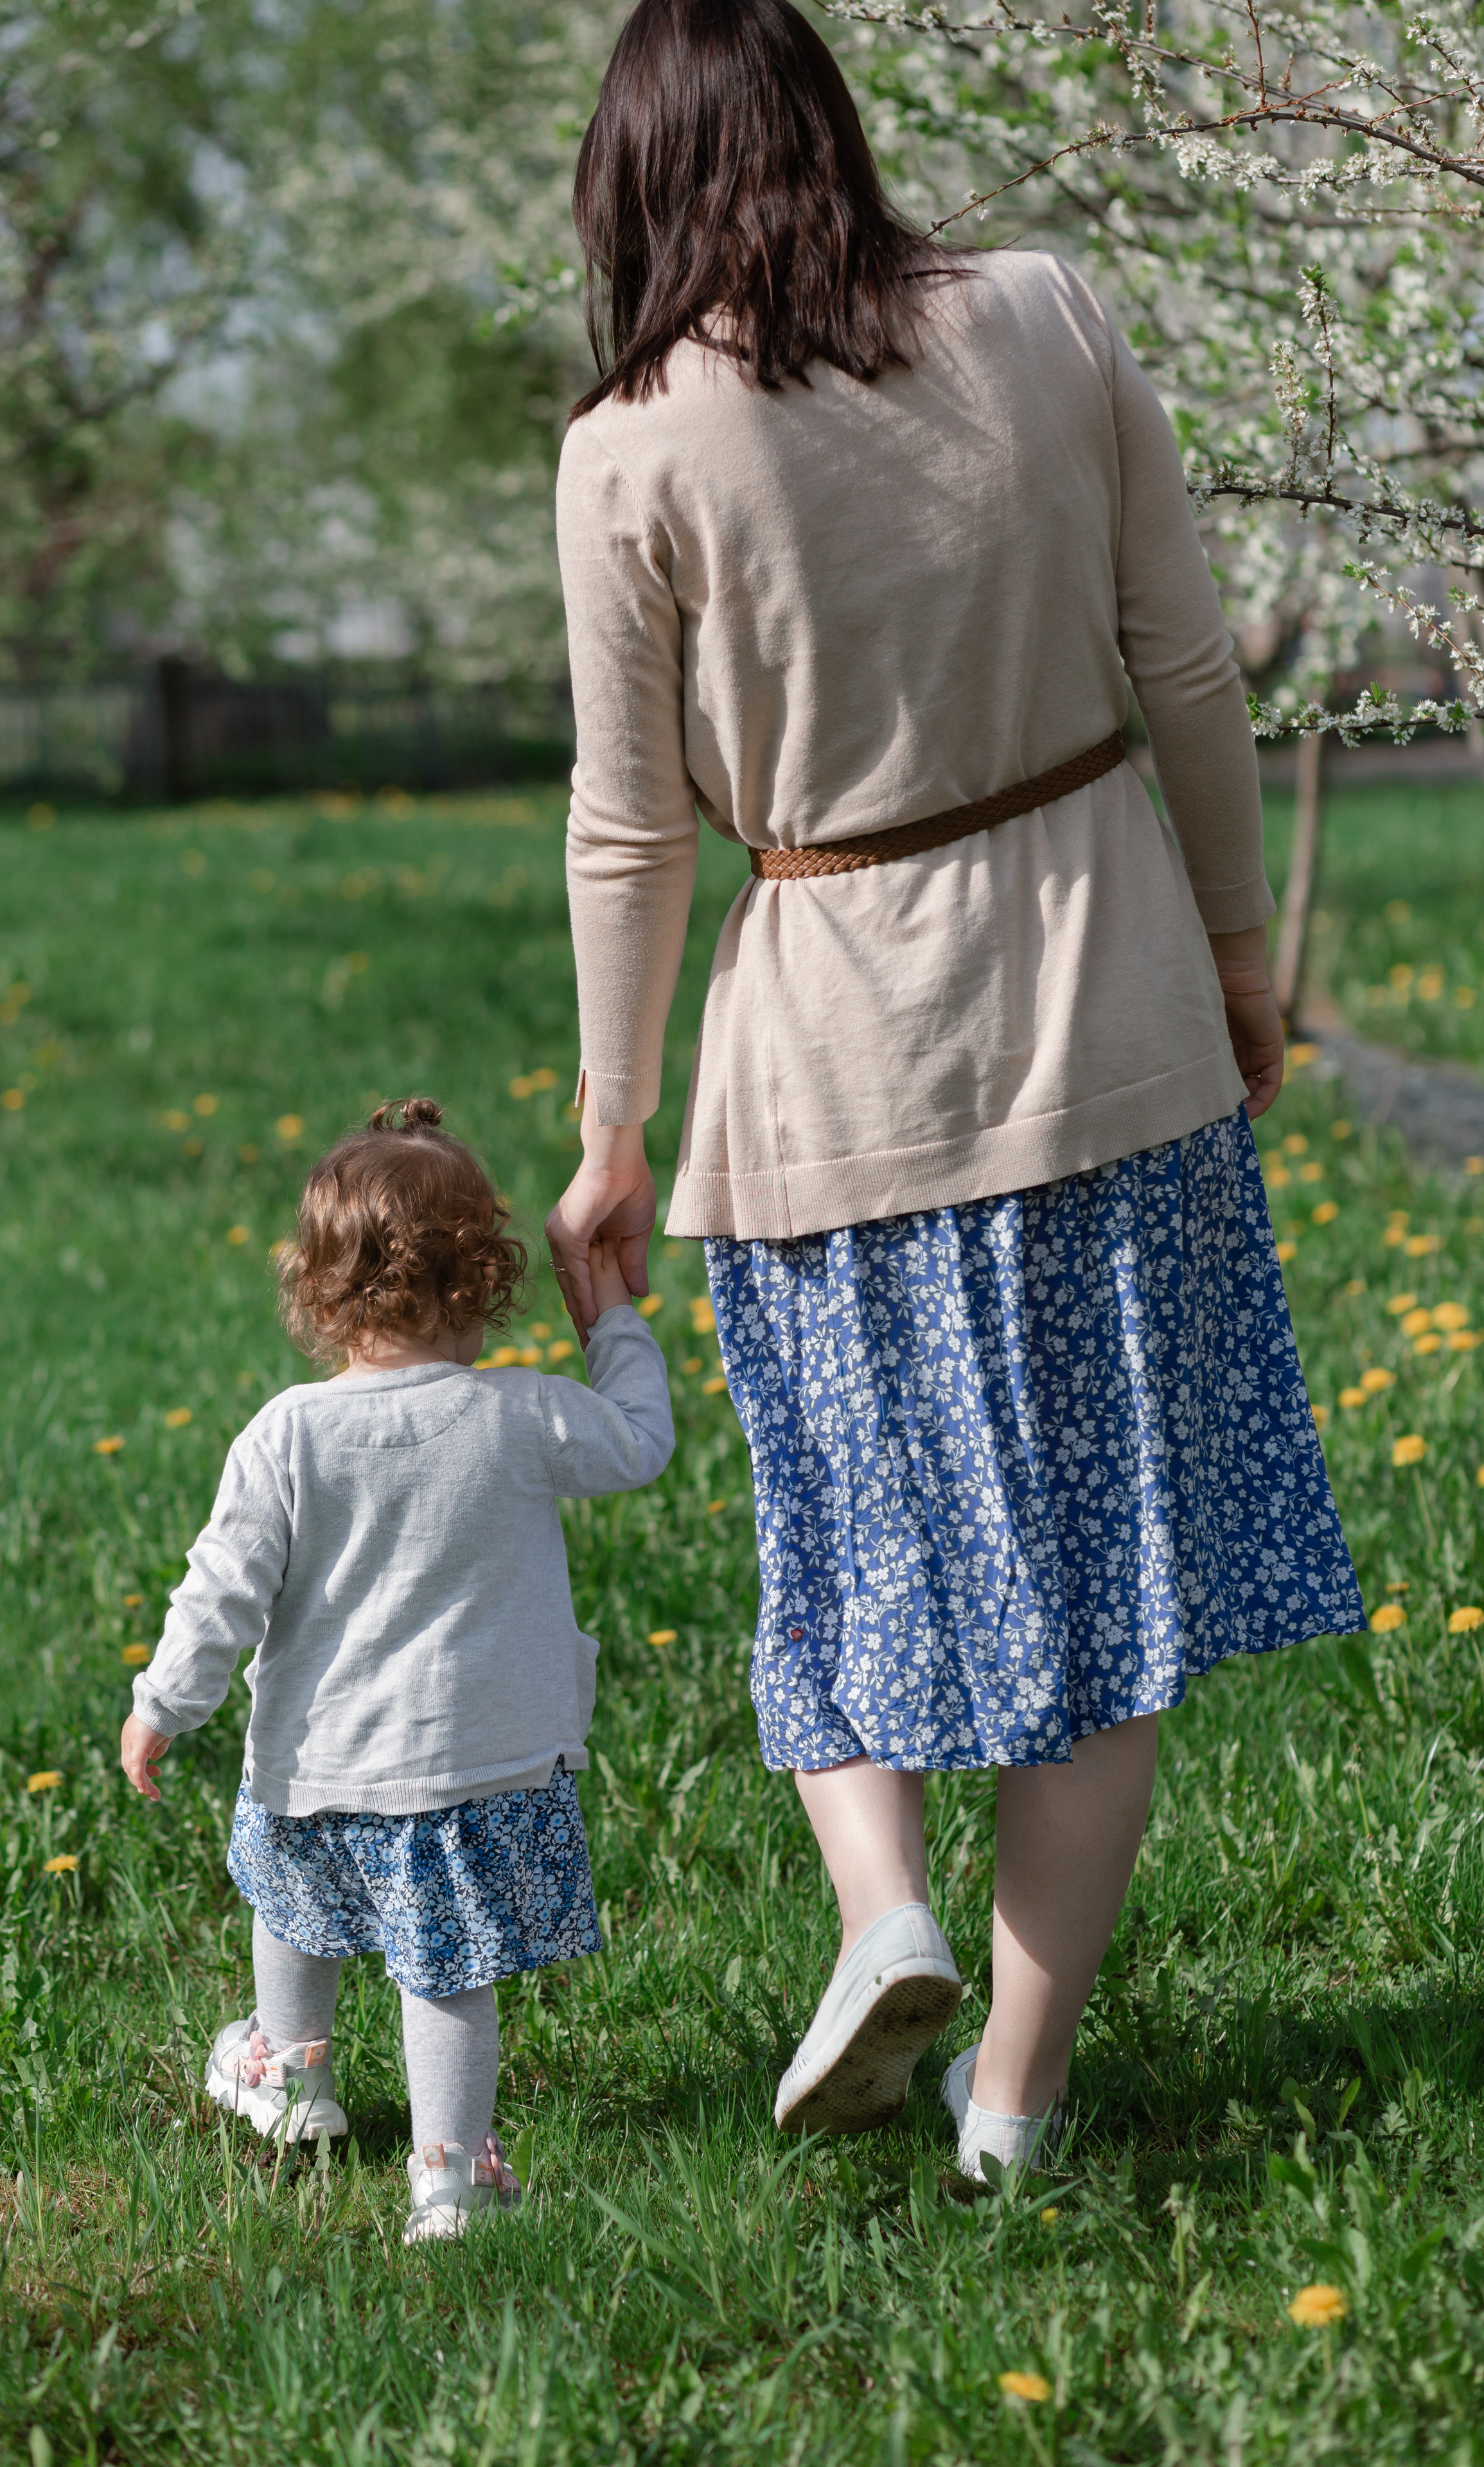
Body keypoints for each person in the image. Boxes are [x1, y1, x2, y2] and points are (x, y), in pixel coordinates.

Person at [545, 0, 1364, 2179]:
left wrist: (618, 1123)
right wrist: (1236, 954)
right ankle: (1014, 2102)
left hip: (826, 1068)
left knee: (848, 1558)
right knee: (1115, 1593)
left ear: (627, 179)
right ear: (831, 122)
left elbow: (628, 829)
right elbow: (1182, 659)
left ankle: (881, 1907)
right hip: (1110, 1027)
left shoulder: (632, 443)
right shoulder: (1045, 312)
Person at [120, 1099, 672, 2240]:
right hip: (479, 1774)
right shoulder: (519, 1414)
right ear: (482, 1282)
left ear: (321, 1291)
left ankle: (292, 2074)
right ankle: (451, 2174)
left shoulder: (287, 1434)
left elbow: (221, 1586)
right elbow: (643, 1440)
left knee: (296, 1907)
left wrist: (163, 1702)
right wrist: (608, 1309)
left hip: (318, 1766)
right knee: (447, 1972)